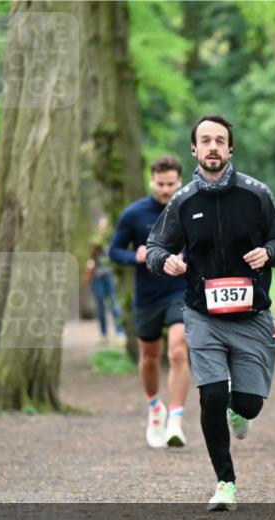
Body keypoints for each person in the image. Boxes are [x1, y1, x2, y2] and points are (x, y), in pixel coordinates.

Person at [147, 115, 275, 511]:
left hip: (252, 316)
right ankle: (225, 481)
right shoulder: (183, 200)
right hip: (202, 315)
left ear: (230, 149)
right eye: (205, 141)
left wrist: (270, 253)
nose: (212, 147)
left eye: (220, 141)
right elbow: (156, 246)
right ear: (194, 149)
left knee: (247, 405)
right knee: (211, 394)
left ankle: (238, 409)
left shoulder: (257, 194)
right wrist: (166, 263)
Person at [110, 156, 191, 449]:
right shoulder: (134, 214)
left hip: (180, 292)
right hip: (148, 297)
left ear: (179, 181)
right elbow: (115, 251)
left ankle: (176, 420)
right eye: (161, 184)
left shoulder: (189, 208)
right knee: (149, 359)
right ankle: (155, 407)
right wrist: (136, 257)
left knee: (179, 351)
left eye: (171, 184)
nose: (166, 190)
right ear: (151, 181)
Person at [84, 234, 125, 344]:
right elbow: (90, 266)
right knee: (100, 306)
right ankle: (103, 334)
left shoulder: (109, 244)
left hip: (108, 277)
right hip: (97, 279)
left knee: (114, 304)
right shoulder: (93, 251)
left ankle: (120, 331)